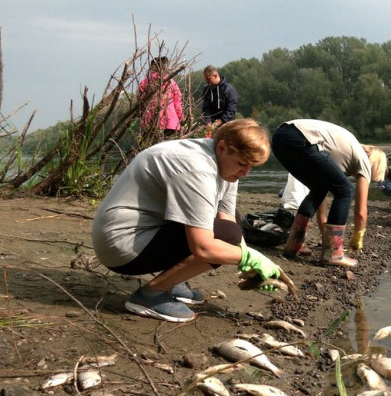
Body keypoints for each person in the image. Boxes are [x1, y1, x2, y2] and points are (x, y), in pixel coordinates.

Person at [92, 119, 283, 323]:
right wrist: (250, 257)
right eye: (242, 164)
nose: (245, 173)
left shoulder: (224, 164)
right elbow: (203, 247)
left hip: (147, 229)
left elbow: (227, 218)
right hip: (121, 245)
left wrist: (248, 264)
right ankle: (151, 295)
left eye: (251, 167)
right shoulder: (197, 169)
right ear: (222, 147)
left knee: (231, 224)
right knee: (226, 236)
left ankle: (173, 280)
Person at [271, 119, 387, 267]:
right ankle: (333, 254)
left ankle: (295, 244)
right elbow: (361, 211)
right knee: (345, 190)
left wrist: (324, 233)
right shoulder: (364, 160)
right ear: (376, 164)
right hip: (301, 137)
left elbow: (322, 199)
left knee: (318, 188)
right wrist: (359, 234)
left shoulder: (342, 152)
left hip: (280, 137)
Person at [138, 56, 184, 137]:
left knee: (152, 148)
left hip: (150, 122)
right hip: (171, 122)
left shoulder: (144, 83)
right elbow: (177, 103)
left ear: (152, 68)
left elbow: (141, 103)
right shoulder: (171, 82)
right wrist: (181, 118)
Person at [201, 65, 238, 130]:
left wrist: (218, 123)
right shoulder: (206, 90)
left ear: (215, 76)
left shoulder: (229, 90)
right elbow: (206, 107)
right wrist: (208, 122)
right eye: (206, 79)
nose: (207, 81)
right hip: (211, 126)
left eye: (208, 79)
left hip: (227, 126)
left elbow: (231, 111)